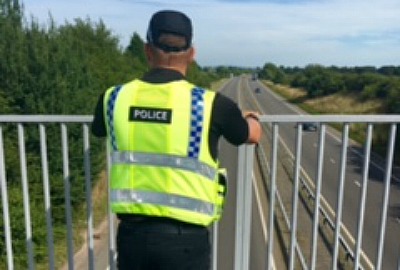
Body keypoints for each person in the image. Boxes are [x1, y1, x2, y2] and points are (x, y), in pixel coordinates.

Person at [91, 9, 262, 270]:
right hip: (187, 242)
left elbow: (100, 129)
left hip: (132, 237)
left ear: (147, 50)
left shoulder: (113, 98)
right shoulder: (209, 104)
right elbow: (249, 135)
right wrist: (250, 119)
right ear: (191, 54)